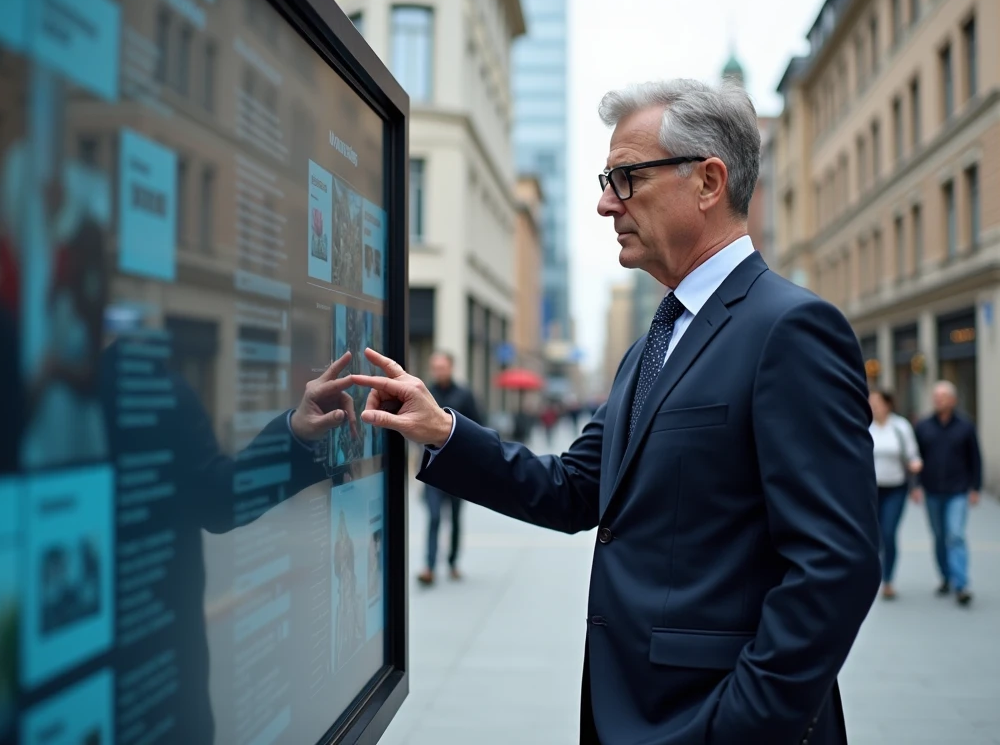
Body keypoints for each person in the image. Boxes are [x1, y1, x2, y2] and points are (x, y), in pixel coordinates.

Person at [352, 78, 880, 745]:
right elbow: (575, 488)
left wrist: (737, 727)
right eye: (607, 181)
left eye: (626, 178)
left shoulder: (792, 330)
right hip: (629, 710)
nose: (605, 203)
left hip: (707, 721)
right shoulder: (653, 343)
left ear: (709, 182)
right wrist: (443, 431)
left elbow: (836, 565)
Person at [910, 380, 982, 606]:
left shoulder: (965, 426)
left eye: (942, 396)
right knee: (939, 537)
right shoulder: (923, 426)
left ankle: (961, 584)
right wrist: (915, 485)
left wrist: (976, 488)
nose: (938, 400)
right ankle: (945, 576)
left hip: (958, 491)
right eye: (936, 396)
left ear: (953, 400)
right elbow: (916, 458)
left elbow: (975, 459)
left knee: (955, 535)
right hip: (932, 490)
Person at [417, 350, 483, 585]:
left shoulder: (465, 394)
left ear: (451, 368)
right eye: (435, 367)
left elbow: (478, 427)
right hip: (432, 468)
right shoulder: (425, 394)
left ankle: (453, 563)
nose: (438, 371)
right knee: (434, 517)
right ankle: (429, 566)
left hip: (457, 469)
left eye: (442, 367)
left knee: (454, 518)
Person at [869, 389, 922, 600]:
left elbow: (912, 455)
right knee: (873, 536)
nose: (873, 406)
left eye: (877, 402)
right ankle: (871, 577)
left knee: (888, 532)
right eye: (870, 402)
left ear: (888, 404)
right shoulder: (865, 426)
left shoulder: (901, 427)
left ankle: (888, 580)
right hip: (870, 491)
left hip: (896, 489)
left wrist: (915, 466)